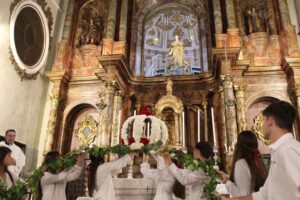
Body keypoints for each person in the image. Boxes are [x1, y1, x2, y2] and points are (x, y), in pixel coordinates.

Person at [221, 101, 300, 200]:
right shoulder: (279, 151)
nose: (262, 126)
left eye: (263, 120)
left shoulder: (288, 149)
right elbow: (264, 194)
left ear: (270, 120)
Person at [216, 131, 267, 197]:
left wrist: (227, 181)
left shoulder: (241, 164)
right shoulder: (258, 159)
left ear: (239, 145)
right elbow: (248, 181)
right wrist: (226, 176)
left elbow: (242, 195)